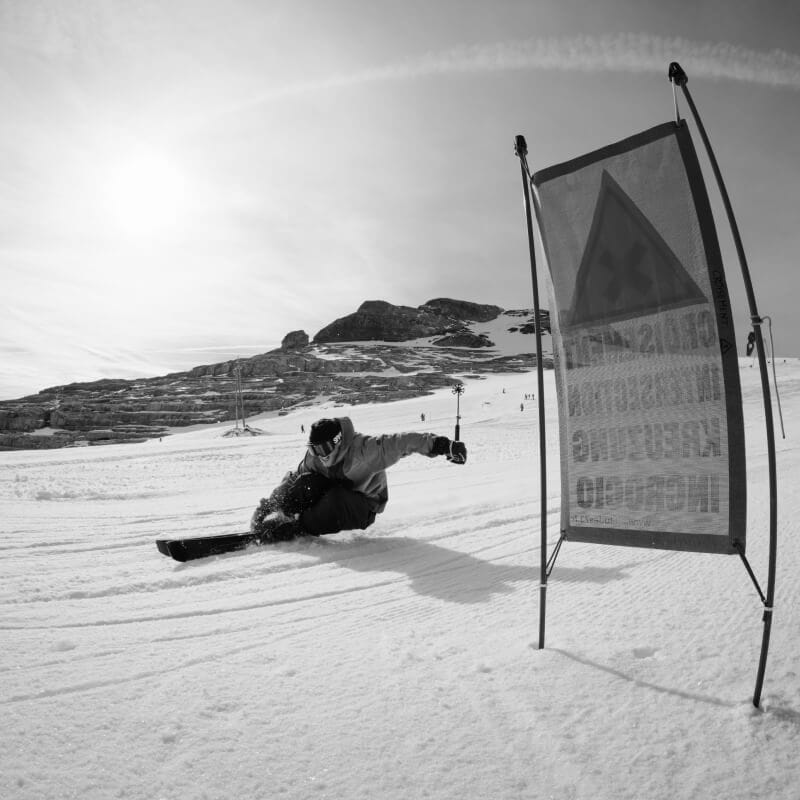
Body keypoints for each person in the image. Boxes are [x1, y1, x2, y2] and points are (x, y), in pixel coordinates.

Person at [250, 416, 467, 543]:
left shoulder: (364, 450)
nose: (321, 455)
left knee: (335, 500)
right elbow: (294, 480)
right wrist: (270, 505)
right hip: (335, 492)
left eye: (325, 448)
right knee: (307, 481)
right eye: (315, 449)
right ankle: (283, 516)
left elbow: (402, 442)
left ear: (338, 442)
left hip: (364, 505)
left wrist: (444, 446)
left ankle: (298, 527)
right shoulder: (315, 458)